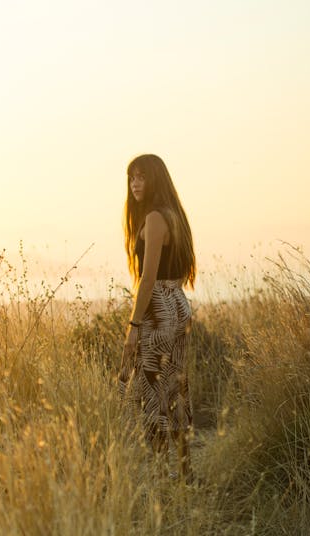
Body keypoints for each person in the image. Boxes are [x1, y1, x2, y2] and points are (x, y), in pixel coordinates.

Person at [118, 154, 196, 479]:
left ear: (155, 180)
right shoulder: (174, 215)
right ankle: (184, 473)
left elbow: (147, 279)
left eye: (142, 177)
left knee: (151, 392)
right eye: (132, 177)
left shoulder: (153, 218)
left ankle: (162, 476)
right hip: (178, 304)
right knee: (173, 390)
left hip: (159, 309)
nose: (136, 183)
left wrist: (133, 326)